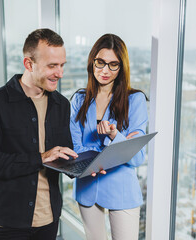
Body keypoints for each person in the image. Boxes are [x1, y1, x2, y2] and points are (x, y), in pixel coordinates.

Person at [0, 28, 77, 240]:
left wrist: (84, 166)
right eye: (52, 66)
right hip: (8, 222)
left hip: (49, 218)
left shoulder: (62, 104)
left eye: (62, 65)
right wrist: (40, 158)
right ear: (28, 64)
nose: (60, 73)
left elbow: (62, 154)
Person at [70, 34, 148, 240]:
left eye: (113, 65)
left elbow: (138, 158)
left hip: (122, 189)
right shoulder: (79, 100)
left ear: (121, 68)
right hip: (87, 187)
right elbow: (76, 147)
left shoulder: (135, 100)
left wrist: (115, 135)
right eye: (100, 62)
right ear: (92, 61)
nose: (105, 70)